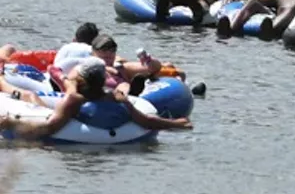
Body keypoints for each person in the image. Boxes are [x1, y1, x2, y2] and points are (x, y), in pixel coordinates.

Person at [0, 60, 191, 140]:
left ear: (81, 79)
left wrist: (11, 123)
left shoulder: (73, 101)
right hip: (111, 128)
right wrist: (175, 123)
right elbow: (145, 120)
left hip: (73, 130)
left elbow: (49, 128)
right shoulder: (113, 97)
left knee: (32, 101)